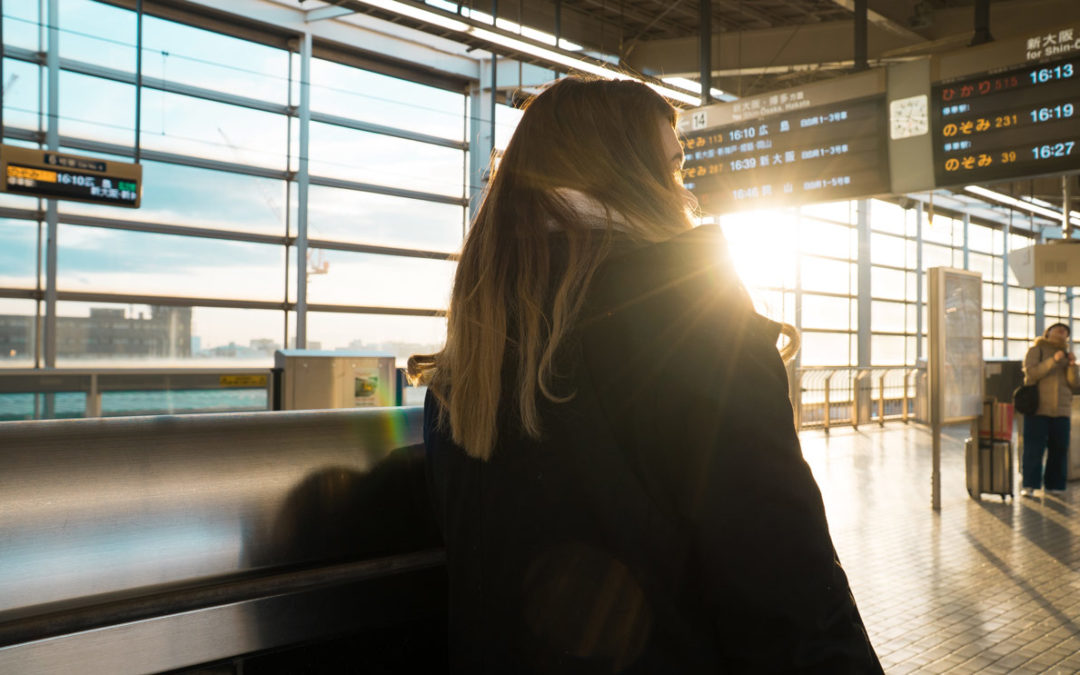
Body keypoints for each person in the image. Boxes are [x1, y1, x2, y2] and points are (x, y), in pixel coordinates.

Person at [409, 76, 881, 673]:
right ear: (628, 175)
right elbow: (786, 588)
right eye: (674, 168)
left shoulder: (470, 362)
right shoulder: (693, 322)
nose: (685, 191)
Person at [1021, 322, 1079, 497]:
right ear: (1048, 332)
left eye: (1065, 331)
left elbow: (1074, 384)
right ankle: (1030, 484)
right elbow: (1031, 374)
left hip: (1061, 410)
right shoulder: (1036, 350)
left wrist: (1072, 365)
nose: (1062, 331)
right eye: (1058, 329)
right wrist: (1053, 361)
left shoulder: (1067, 356)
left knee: (1059, 449)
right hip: (1038, 409)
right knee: (1034, 448)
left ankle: (1055, 485)